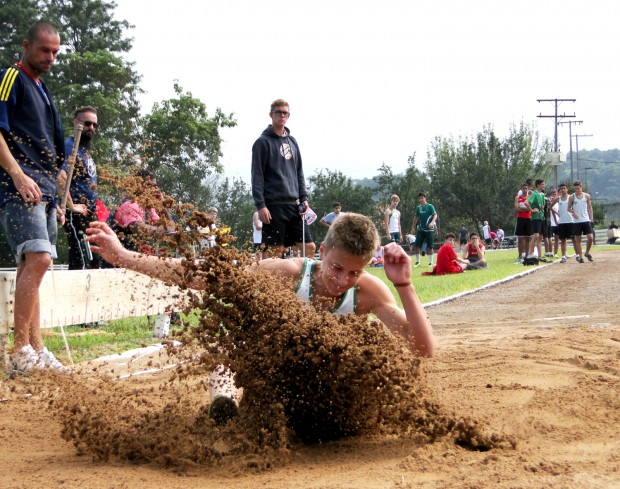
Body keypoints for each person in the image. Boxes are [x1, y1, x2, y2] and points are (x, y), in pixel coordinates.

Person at [86, 212, 435, 422]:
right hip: (272, 373)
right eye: (336, 268)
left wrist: (404, 285)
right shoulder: (285, 273)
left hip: (324, 386)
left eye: (353, 273)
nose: (341, 281)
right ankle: (225, 406)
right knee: (232, 349)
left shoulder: (369, 293)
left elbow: (421, 349)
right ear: (322, 252)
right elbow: (206, 275)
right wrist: (124, 256)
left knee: (371, 362)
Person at [0, 21, 68, 373]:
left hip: (43, 190)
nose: (51, 57)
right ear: (26, 45)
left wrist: (58, 196)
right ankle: (19, 349)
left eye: (56, 52)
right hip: (18, 186)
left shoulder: (44, 90)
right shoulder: (11, 77)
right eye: (45, 50)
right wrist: (17, 174)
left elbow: (51, 147)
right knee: (38, 259)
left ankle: (36, 348)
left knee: (36, 266)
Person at [251, 99, 315, 259]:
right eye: (278, 112)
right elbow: (257, 175)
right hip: (274, 205)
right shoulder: (262, 143)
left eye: (285, 112)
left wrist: (304, 198)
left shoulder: (292, 141)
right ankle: (265, 284)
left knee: (309, 247)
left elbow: (299, 171)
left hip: (294, 205)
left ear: (288, 115)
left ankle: (304, 284)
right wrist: (261, 205)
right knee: (275, 251)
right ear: (271, 114)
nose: (282, 115)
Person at [57, 105, 101, 270]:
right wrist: (71, 206)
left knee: (93, 261)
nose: (91, 128)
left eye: (94, 125)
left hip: (90, 214)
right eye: (88, 123)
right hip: (76, 216)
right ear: (76, 123)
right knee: (82, 262)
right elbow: (61, 177)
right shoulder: (70, 146)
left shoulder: (84, 151)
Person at [568, 180, 594, 263]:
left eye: (578, 188)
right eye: (575, 189)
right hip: (576, 221)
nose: (577, 190)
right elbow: (568, 208)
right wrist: (573, 212)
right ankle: (580, 256)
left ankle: (587, 252)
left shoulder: (587, 196)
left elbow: (590, 207)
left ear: (581, 187)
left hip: (586, 219)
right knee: (578, 239)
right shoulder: (572, 197)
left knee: (590, 238)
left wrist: (591, 218)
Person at [410, 192, 437, 268]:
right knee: (417, 245)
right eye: (419, 198)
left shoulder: (430, 206)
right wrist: (412, 228)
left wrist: (432, 222)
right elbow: (415, 218)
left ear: (425, 198)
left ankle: (430, 263)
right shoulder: (418, 208)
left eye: (422, 198)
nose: (421, 199)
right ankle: (417, 262)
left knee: (430, 246)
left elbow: (435, 215)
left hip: (429, 229)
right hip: (420, 229)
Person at [549, 183, 574, 263]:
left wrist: (575, 213)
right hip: (561, 222)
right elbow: (550, 207)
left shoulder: (571, 197)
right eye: (561, 189)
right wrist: (557, 213)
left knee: (574, 239)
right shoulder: (558, 199)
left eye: (564, 188)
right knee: (562, 239)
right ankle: (563, 256)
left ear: (567, 189)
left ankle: (578, 255)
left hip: (570, 221)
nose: (563, 190)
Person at [523, 178, 546, 264]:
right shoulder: (534, 194)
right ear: (538, 185)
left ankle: (540, 256)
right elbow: (526, 202)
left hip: (541, 217)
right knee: (535, 235)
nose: (544, 186)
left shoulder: (542, 195)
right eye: (542, 184)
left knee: (540, 237)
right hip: (535, 217)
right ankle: (530, 253)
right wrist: (532, 210)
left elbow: (542, 206)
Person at [514, 183, 532, 264]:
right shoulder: (517, 198)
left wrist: (524, 208)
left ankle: (527, 255)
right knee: (520, 239)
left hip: (528, 219)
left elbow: (530, 209)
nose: (525, 190)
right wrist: (526, 209)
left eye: (526, 188)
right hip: (520, 219)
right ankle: (520, 255)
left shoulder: (530, 197)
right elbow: (516, 209)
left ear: (528, 189)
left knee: (528, 238)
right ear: (521, 189)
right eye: (523, 188)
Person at [548, 188, 560, 256]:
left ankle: (555, 253)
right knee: (549, 238)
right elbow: (550, 209)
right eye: (553, 194)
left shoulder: (558, 203)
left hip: (557, 222)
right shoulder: (549, 201)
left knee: (557, 238)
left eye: (555, 194)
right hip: (550, 222)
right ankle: (550, 252)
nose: (554, 195)